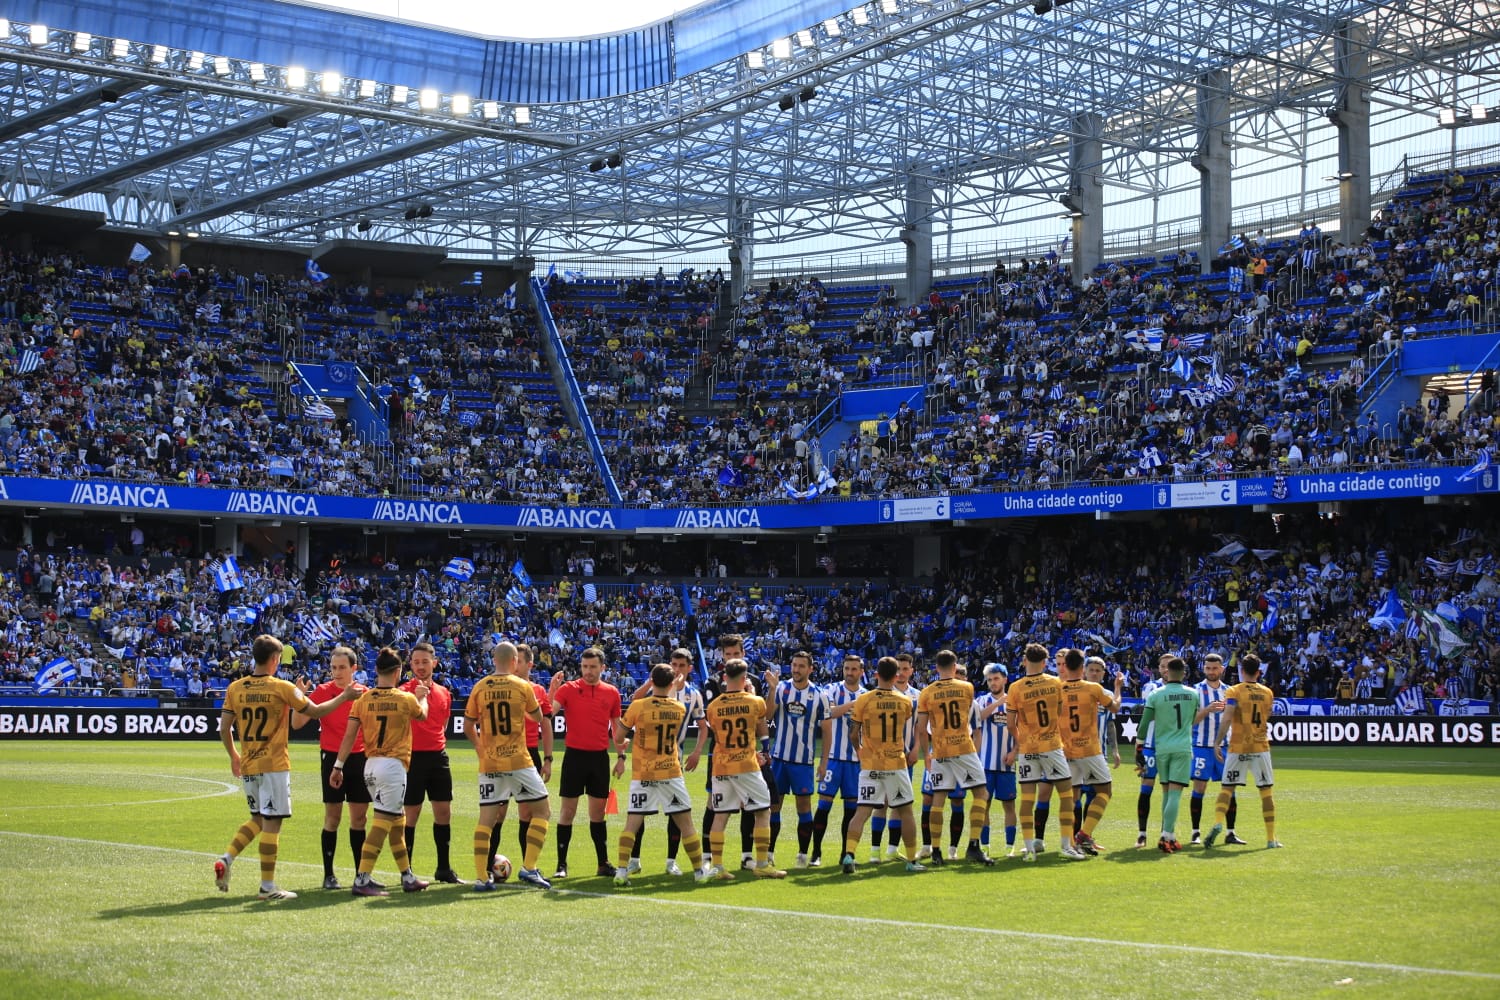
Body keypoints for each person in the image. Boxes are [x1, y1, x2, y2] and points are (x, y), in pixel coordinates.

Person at [215, 633, 356, 901]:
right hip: (274, 764)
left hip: (249, 763)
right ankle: (267, 886)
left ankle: (227, 858)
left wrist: (234, 755)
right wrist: (345, 697)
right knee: (272, 824)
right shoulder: (281, 687)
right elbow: (314, 712)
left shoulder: (235, 688)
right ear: (275, 659)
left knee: (257, 818)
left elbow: (224, 728)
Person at [332, 646, 431, 896]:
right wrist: (423, 696)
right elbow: (423, 716)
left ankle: (407, 876)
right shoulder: (405, 698)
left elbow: (350, 735)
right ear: (398, 671)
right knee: (382, 824)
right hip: (393, 767)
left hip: (371, 766)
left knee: (397, 824)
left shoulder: (363, 699)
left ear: (376, 670)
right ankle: (362, 879)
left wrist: (338, 766)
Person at [465, 641, 553, 891]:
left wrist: (480, 747)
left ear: (495, 660)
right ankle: (529, 868)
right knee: (542, 811)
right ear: (515, 661)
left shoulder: (480, 687)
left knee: (486, 819)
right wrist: (522, 712)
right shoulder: (523, 686)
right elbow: (538, 717)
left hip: (490, 762)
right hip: (518, 760)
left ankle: (482, 878)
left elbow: (468, 725)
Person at [612, 663, 709, 886]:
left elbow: (618, 737)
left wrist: (627, 740)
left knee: (632, 823)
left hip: (643, 772)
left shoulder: (638, 706)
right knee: (686, 823)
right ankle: (698, 871)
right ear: (672, 683)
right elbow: (668, 705)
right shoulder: (679, 708)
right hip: (670, 772)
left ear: (652, 681)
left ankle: (621, 871)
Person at [692, 657, 783, 879]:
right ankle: (761, 862)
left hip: (721, 765)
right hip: (746, 765)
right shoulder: (756, 702)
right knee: (763, 811)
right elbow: (761, 721)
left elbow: (715, 728)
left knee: (720, 815)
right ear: (744, 679)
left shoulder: (713, 706)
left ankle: (718, 866)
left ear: (724, 678)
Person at [291, 645, 370, 890]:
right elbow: (296, 723)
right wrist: (298, 696)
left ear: (353, 669)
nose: (336, 672)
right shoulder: (323, 691)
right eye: (333, 667)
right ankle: (329, 875)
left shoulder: (364, 693)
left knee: (359, 818)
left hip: (360, 758)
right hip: (331, 758)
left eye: (342, 667)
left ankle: (361, 875)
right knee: (332, 817)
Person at [839, 656, 924, 874]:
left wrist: (859, 750)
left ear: (875, 674)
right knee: (905, 811)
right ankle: (912, 860)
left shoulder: (864, 700)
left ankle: (849, 855)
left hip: (870, 763)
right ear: (897, 676)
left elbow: (853, 733)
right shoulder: (905, 701)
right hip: (895, 762)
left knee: (862, 811)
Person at [1004, 643, 1086, 861]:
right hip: (1051, 746)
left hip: (1028, 748)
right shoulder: (1055, 683)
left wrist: (1021, 738)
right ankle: (1066, 846)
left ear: (1025, 661)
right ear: (1044, 661)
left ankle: (1030, 847)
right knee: (1067, 796)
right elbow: (1058, 713)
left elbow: (1011, 723)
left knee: (1028, 799)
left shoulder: (1015, 687)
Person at [548, 646, 625, 878]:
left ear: (603, 667)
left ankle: (603, 864)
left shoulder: (612, 692)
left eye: (593, 667)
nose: (588, 671)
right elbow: (549, 714)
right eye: (584, 667)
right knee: (567, 812)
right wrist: (552, 691)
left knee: (598, 814)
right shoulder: (568, 689)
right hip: (574, 757)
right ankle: (561, 866)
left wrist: (621, 757)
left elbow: (617, 729)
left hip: (599, 758)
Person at [915, 649, 994, 865]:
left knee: (938, 800)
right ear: (954, 665)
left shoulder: (927, 692)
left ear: (936, 667)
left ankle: (937, 852)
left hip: (939, 751)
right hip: (963, 748)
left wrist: (926, 754)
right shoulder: (967, 687)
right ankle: (973, 846)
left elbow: (922, 729)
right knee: (981, 794)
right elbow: (970, 717)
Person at [486, 643, 555, 872]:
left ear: (528, 664)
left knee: (528, 812)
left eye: (520, 661)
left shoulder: (537, 690)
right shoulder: (493, 687)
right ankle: (487, 868)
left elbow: (545, 725)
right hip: (500, 754)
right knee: (498, 813)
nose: (514, 666)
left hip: (528, 754)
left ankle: (529, 866)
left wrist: (547, 759)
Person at [1205, 653, 1282, 849]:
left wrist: (1217, 742)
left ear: (1241, 671)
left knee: (1227, 789)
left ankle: (1217, 823)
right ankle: (1271, 839)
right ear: (1258, 672)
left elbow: (1228, 717)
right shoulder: (1267, 692)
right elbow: (1267, 715)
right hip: (1260, 746)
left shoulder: (1233, 691)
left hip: (1238, 746)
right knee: (1266, 792)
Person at [762, 650, 829, 868]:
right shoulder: (782, 688)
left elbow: (827, 731)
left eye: (801, 666)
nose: (796, 669)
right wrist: (772, 689)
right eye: (794, 665)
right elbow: (768, 715)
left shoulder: (819, 695)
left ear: (810, 669)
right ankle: (769, 852)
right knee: (774, 806)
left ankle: (802, 854)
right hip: (779, 758)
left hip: (803, 761)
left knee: (804, 807)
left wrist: (824, 761)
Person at [399, 642, 458, 882]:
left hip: (438, 756)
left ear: (434, 662)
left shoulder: (444, 692)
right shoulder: (403, 692)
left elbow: (442, 725)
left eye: (425, 662)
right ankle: (407, 871)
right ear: (410, 665)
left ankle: (443, 868)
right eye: (416, 662)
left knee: (443, 812)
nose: (421, 666)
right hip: (412, 757)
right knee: (410, 814)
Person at [1059, 650, 1122, 856]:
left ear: (1065, 667)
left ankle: (1069, 843)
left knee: (1072, 797)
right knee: (1105, 791)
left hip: (1066, 750)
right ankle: (1084, 834)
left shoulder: (1058, 689)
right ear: (1082, 669)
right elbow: (1115, 708)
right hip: (1090, 750)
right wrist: (1117, 689)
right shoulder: (1093, 689)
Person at [1135, 655, 1197, 853]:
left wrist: (1139, 747)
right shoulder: (1193, 694)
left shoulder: (1156, 695)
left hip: (1161, 748)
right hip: (1182, 748)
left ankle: (1168, 834)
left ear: (1167, 672)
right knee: (1175, 793)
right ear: (1184, 673)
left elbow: (1144, 724)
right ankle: (1166, 835)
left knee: (1166, 792)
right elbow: (1193, 718)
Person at [810, 654, 866, 866]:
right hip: (833, 758)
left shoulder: (867, 695)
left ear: (861, 672)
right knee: (823, 806)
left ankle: (846, 854)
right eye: (847, 669)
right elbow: (829, 712)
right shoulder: (832, 689)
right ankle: (816, 853)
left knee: (851, 810)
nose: (850, 673)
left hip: (855, 761)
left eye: (854, 669)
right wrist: (853, 704)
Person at [1189, 652, 1243, 846]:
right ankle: (1195, 832)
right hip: (1201, 747)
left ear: (1222, 669)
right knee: (1199, 788)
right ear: (1204, 669)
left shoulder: (1230, 691)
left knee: (1230, 789)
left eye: (1215, 668)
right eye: (1208, 668)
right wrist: (1206, 710)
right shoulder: (1195, 691)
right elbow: (1190, 722)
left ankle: (1231, 832)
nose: (1211, 671)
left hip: (1226, 748)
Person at [973, 664, 1019, 858]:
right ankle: (985, 846)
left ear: (1005, 679)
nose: (993, 682)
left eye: (996, 678)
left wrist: (1015, 752)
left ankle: (1010, 846)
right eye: (990, 679)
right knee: (984, 805)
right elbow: (977, 719)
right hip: (984, 764)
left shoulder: (1015, 702)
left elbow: (1022, 730)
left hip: (1007, 764)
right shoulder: (981, 700)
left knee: (1009, 805)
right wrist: (997, 703)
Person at [1135, 654, 1171, 848]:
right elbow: (1151, 712)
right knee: (1146, 788)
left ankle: (1165, 833)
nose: (1166, 669)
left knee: (1168, 791)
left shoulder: (1182, 690)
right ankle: (1142, 833)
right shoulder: (1151, 687)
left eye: (1169, 666)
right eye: (1163, 666)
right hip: (1150, 746)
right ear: (1159, 667)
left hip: (1169, 748)